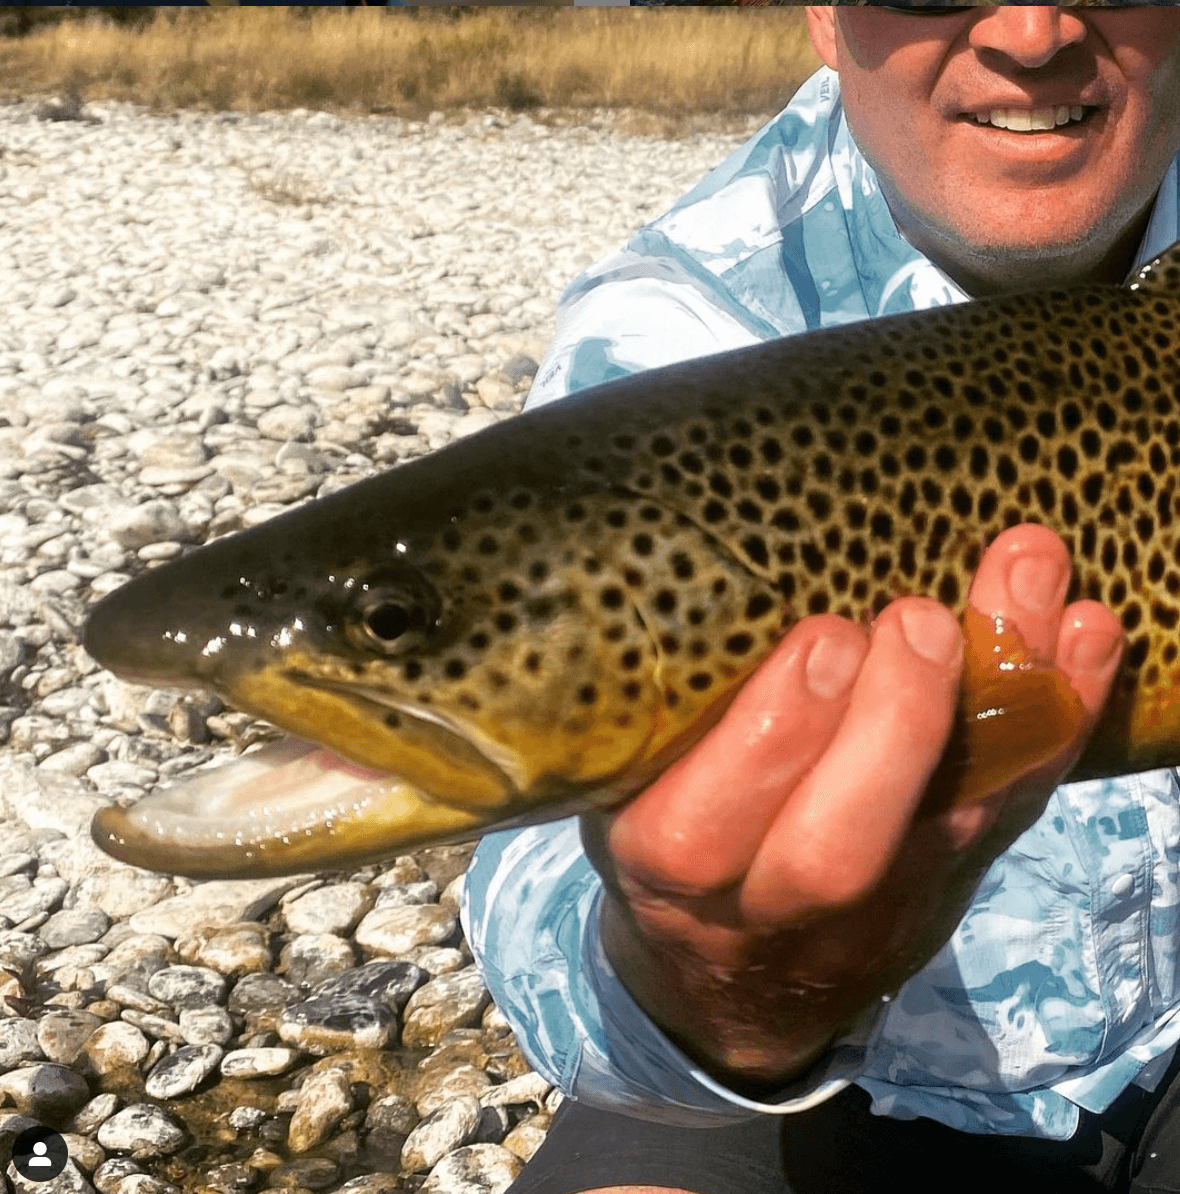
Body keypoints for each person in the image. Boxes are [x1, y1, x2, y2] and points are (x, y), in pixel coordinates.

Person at [460, 4, 1180, 1192]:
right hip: (862, 1079)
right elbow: (538, 869)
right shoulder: (681, 333)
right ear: (821, 11)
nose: (1031, 29)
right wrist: (711, 985)